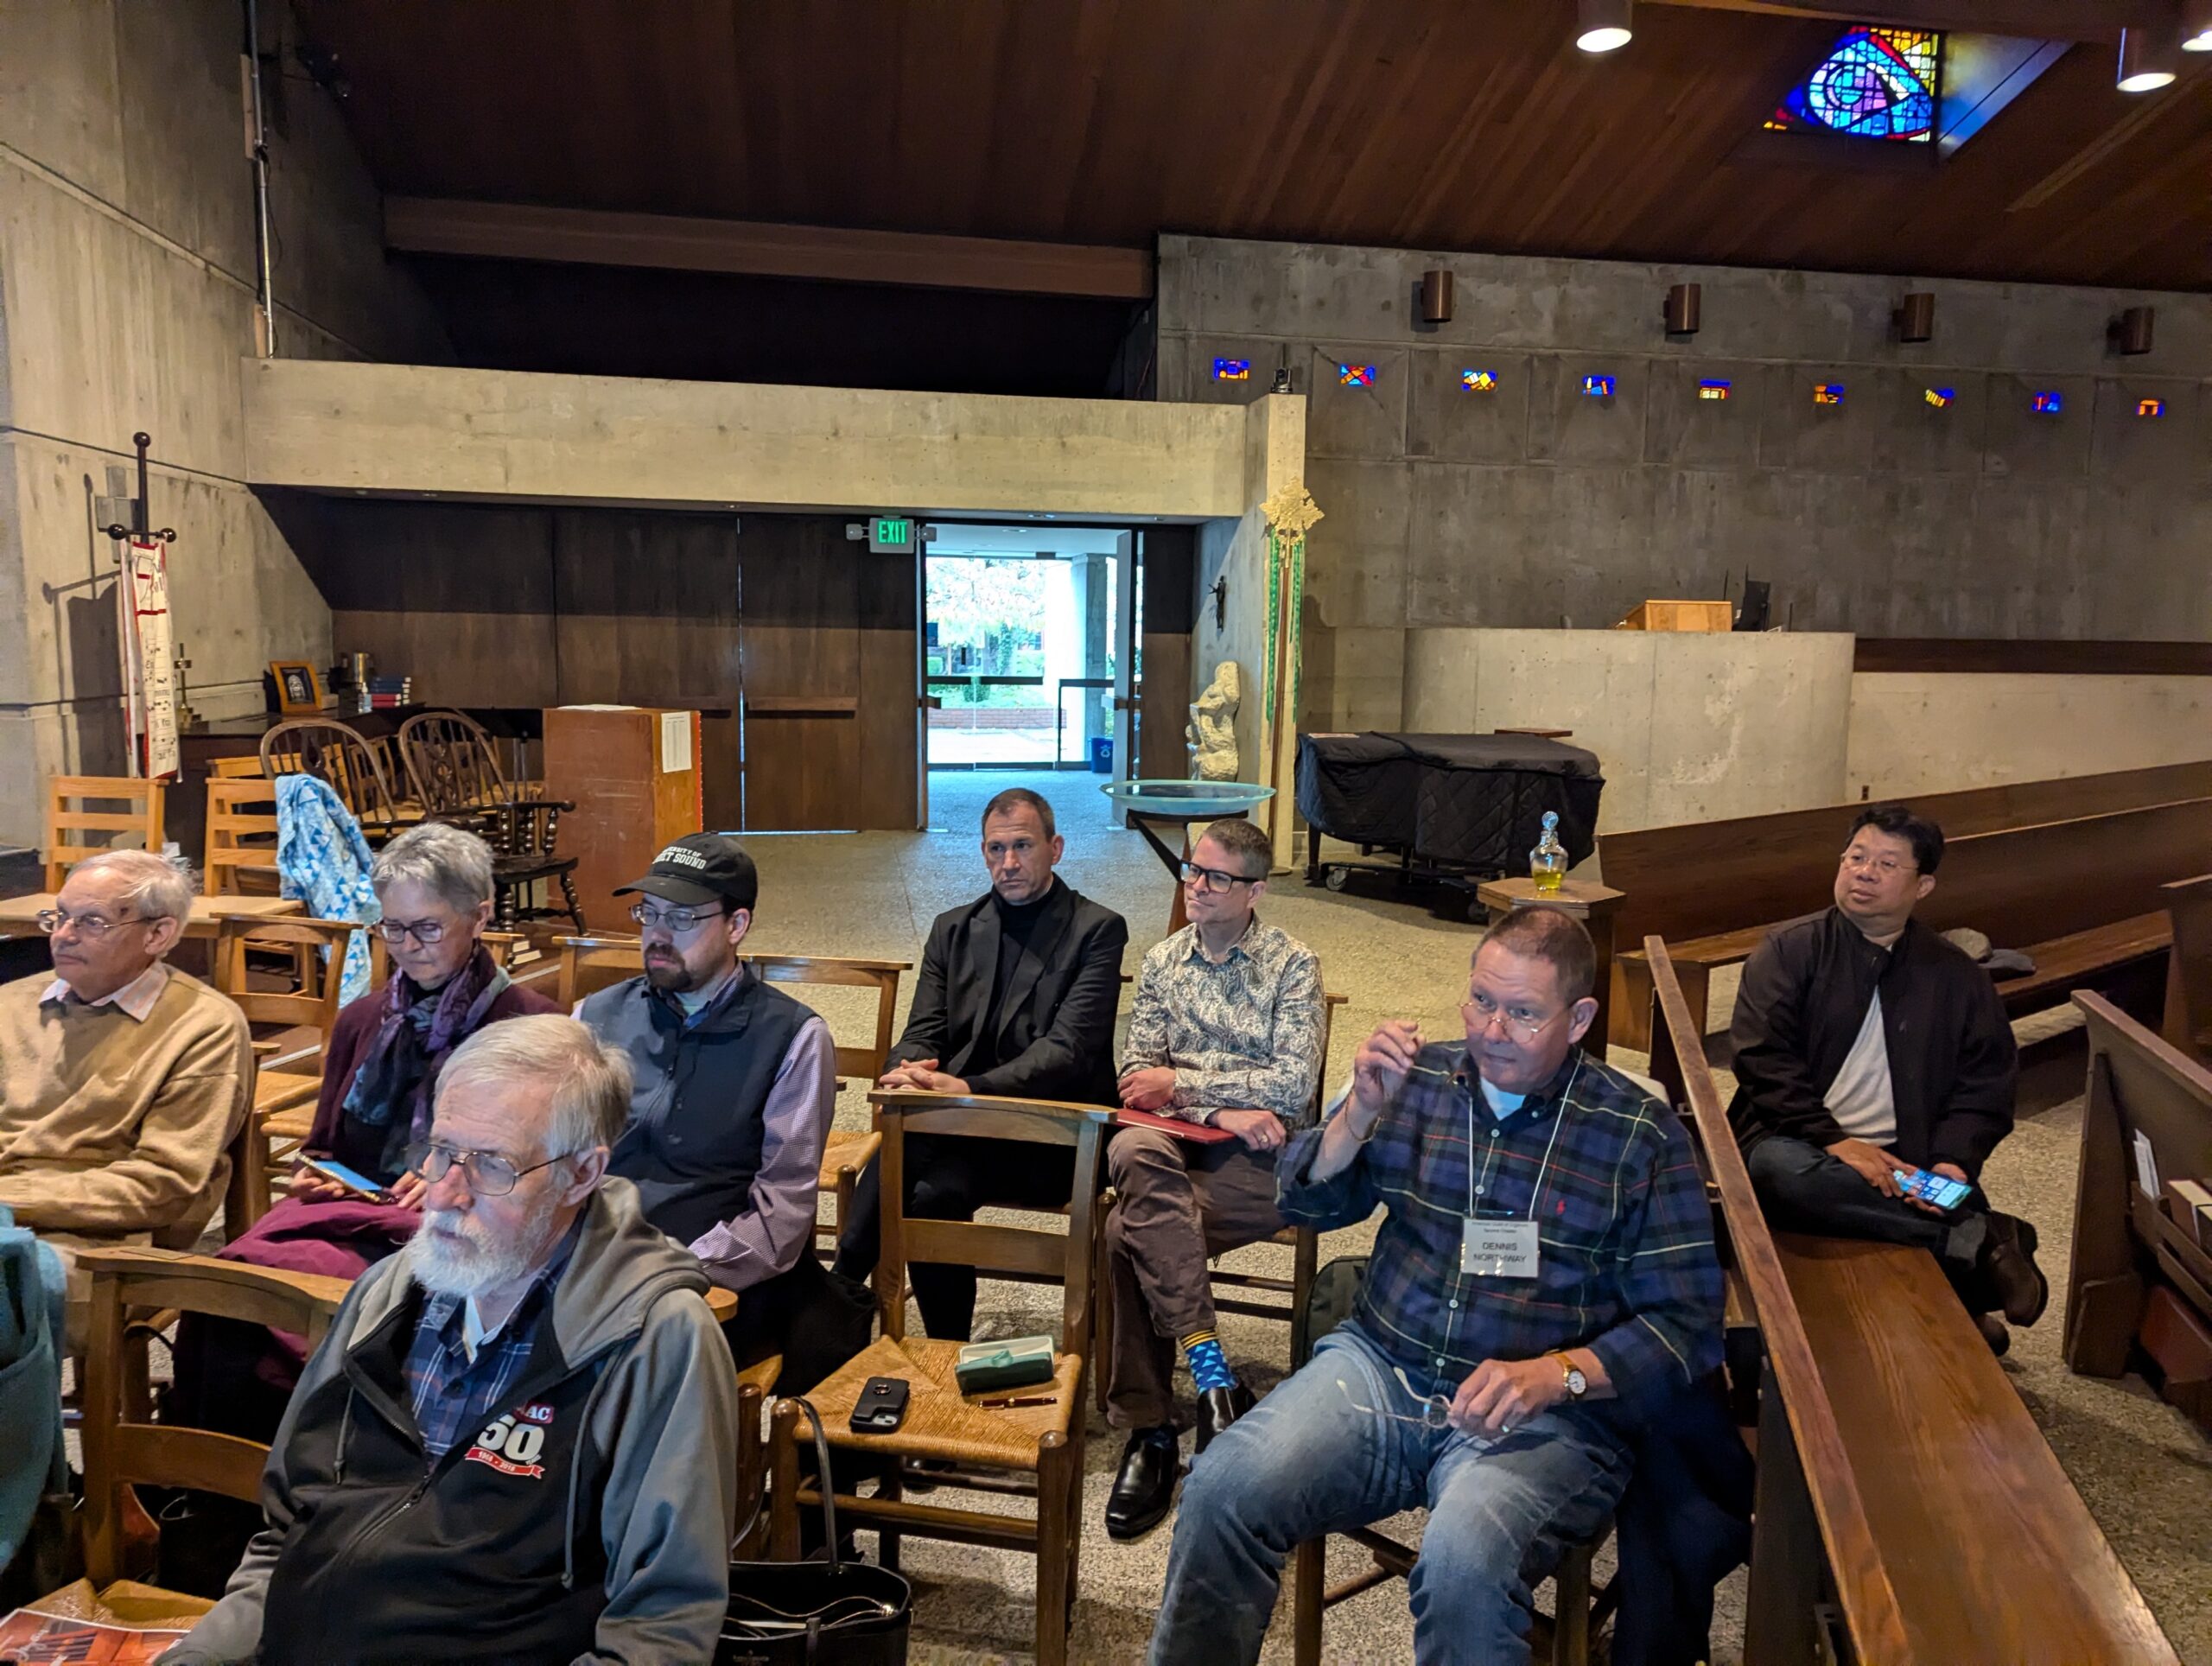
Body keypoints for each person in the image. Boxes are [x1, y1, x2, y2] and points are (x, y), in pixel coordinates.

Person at [1149, 909, 1723, 1666]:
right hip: (1383, 1364)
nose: (1492, 1030)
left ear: (1580, 1017)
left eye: (1523, 1014)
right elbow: (1307, 1202)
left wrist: (1560, 1374)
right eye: (1481, 1001)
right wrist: (1356, 1114)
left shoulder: (1638, 1133)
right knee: (1222, 1487)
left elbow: (1686, 1322)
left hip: (1542, 1413)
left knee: (1462, 1568)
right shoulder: (1421, 1081)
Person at [157, 1016, 737, 1666]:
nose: (444, 1193)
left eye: (492, 1165)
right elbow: (285, 1538)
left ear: (581, 1175)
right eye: (441, 1152)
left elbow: (660, 1629)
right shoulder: (386, 1294)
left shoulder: (652, 1337)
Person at [168, 823, 560, 1439]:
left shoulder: (531, 1027)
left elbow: (541, 1170)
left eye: (428, 927)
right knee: (229, 1288)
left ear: (480, 916)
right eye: (392, 928)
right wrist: (318, 1174)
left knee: (339, 1318)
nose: (408, 946)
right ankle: (214, 1485)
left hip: (459, 1224)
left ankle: (331, 1475)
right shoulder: (364, 1019)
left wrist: (451, 1176)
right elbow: (324, 1146)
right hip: (358, 1209)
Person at [1728, 804, 2046, 1352]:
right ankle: (1981, 1240)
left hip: (1910, 1156)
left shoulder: (1956, 975)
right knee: (1779, 1173)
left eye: (1886, 863)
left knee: (1943, 1189)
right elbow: (1763, 1059)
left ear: (1923, 886)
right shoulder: (1790, 950)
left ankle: (1965, 1282)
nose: (1864, 872)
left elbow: (1986, 1082)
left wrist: (1952, 1159)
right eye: (1856, 857)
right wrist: (1837, 1142)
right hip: (1803, 1142)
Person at [833, 788, 1128, 1339]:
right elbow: (922, 1030)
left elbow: (1066, 1053)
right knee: (929, 1194)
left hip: (1055, 1132)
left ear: (1055, 848)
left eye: (1022, 846)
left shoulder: (1097, 930)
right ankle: (948, 1350)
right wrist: (908, 1069)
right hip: (961, 1129)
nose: (1008, 863)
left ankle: (841, 1285)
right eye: (995, 849)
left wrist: (963, 1088)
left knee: (911, 1139)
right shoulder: (954, 928)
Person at [1103, 817, 1323, 1542]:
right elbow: (1135, 1081)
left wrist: (1195, 1092)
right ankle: (1209, 1377)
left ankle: (1151, 1427)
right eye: (1193, 871)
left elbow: (1291, 1087)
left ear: (1255, 891)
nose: (1196, 886)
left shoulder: (1294, 966)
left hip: (1257, 1165)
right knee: (1134, 1150)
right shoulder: (1164, 960)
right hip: (1171, 1148)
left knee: (1121, 1232)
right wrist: (1228, 1104)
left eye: (1216, 877)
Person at [577, 834, 852, 1389]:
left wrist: (671, 1269)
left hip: (712, 1279)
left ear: (736, 925)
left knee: (628, 1376)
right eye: (648, 913)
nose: (656, 934)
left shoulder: (793, 1038)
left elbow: (781, 1221)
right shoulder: (595, 1015)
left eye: (681, 918)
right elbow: (555, 1157)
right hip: (589, 1262)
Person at [0, 851, 251, 1344]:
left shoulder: (203, 1026)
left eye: (91, 921)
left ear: (158, 935)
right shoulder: (11, 1003)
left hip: (102, 1247)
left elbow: (162, 1185)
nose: (64, 934)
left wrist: (10, 1200)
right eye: (60, 916)